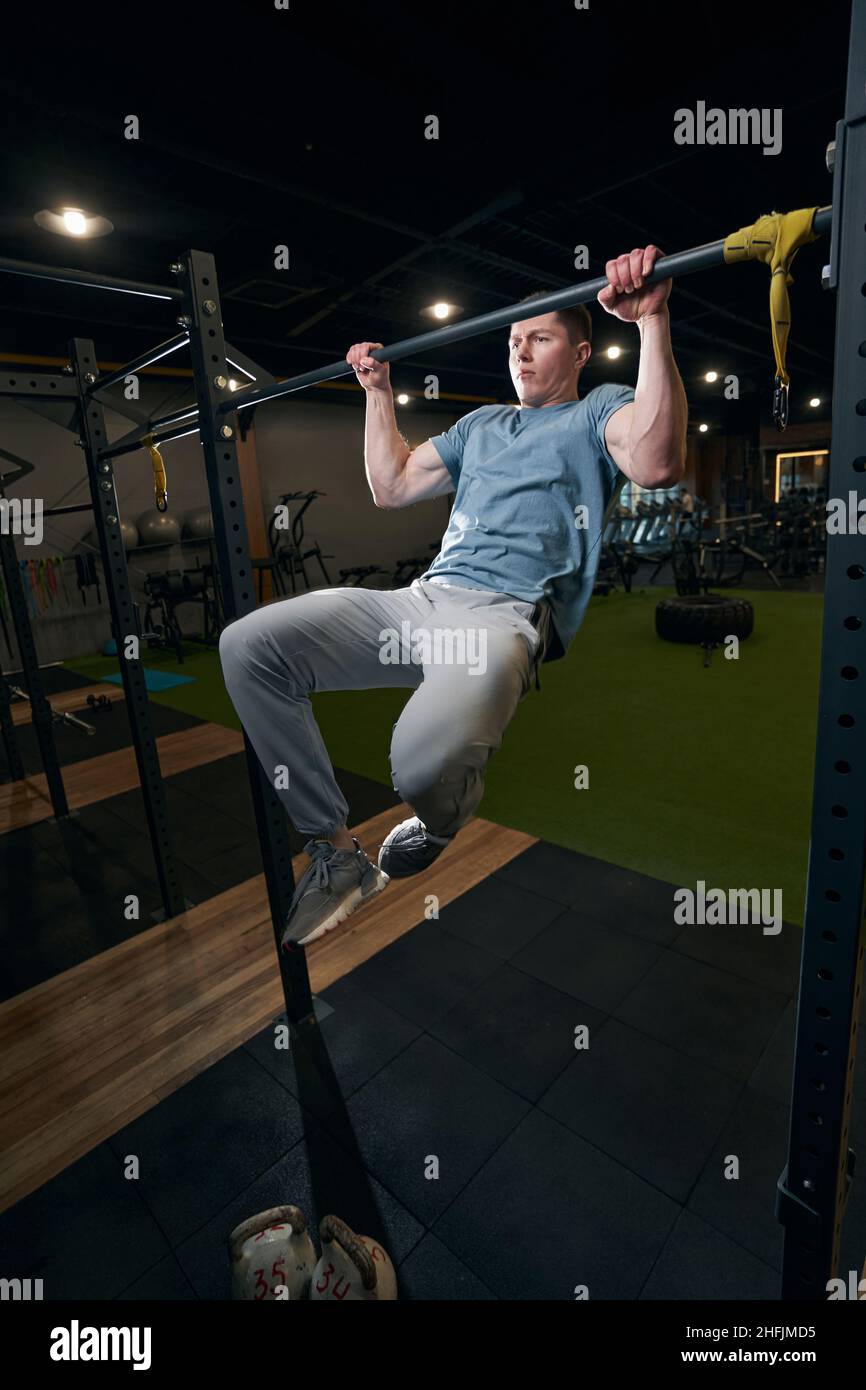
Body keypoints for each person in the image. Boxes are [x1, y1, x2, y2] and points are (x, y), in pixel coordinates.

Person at [219, 246, 688, 947]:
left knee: (421, 766)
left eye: (540, 338)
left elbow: (656, 462)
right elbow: (392, 486)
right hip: (423, 601)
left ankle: (441, 819)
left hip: (502, 621)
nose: (520, 353)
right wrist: (378, 393)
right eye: (511, 341)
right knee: (249, 645)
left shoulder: (600, 410)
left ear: (582, 349)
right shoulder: (481, 425)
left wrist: (652, 321)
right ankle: (337, 855)